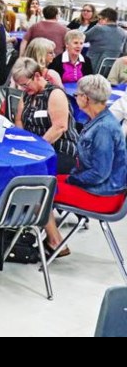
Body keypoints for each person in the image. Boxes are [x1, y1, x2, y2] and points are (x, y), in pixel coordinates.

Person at [42, 75, 127, 257]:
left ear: (86, 99)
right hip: (103, 187)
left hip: (103, 194)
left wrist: (73, 179)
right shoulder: (102, 120)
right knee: (43, 181)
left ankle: (55, 241)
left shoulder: (103, 128)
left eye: (78, 94)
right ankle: (53, 238)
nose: (75, 97)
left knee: (39, 189)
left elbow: (99, 173)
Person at [11, 58, 79, 173]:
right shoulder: (27, 94)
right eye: (20, 86)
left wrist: (37, 148)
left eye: (25, 85)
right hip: (32, 147)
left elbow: (59, 127)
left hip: (58, 148)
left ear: (37, 76)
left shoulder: (55, 94)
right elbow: (19, 120)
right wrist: (22, 142)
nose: (23, 89)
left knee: (30, 170)